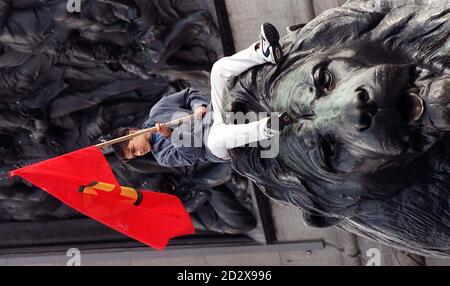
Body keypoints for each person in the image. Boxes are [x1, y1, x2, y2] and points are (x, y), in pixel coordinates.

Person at [112, 23, 292, 166]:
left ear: (133, 133)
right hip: (211, 145)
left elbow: (189, 94)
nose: (139, 153)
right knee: (216, 138)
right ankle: (268, 128)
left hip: (214, 114)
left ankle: (264, 53)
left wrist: (198, 106)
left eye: (134, 149)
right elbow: (192, 152)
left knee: (218, 69)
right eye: (134, 155)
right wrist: (170, 136)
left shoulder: (157, 111)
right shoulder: (162, 157)